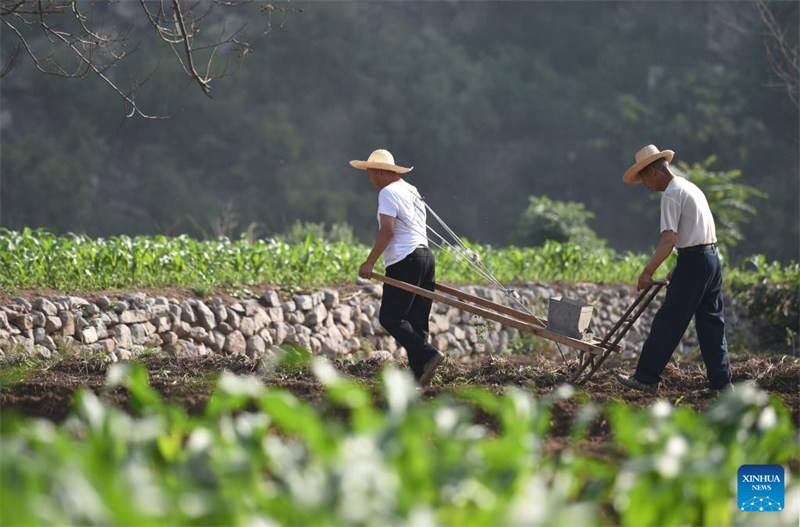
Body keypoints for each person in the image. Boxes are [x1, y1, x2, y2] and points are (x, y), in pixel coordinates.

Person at [615, 144, 732, 394]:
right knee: (711, 323)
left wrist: (647, 272)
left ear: (654, 171)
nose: (645, 186)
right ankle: (722, 385)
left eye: (644, 179)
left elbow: (669, 240)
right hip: (710, 259)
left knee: (668, 321)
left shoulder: (670, 194)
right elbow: (696, 235)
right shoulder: (690, 187)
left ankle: (645, 378)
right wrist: (681, 265)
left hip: (695, 262)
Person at [351, 148, 444, 385]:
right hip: (425, 258)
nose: (371, 181)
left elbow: (387, 231)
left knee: (390, 318)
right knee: (416, 322)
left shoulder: (388, 193)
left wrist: (369, 262)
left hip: (405, 260)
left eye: (371, 175)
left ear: (382, 172)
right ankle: (421, 374)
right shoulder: (411, 190)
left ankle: (428, 355)